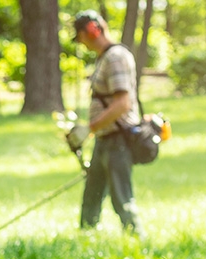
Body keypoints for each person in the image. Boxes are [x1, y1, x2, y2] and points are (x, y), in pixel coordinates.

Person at [67, 10, 142, 236]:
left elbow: (122, 103)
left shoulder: (115, 57)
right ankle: (86, 239)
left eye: (80, 35)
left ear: (91, 31)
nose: (80, 42)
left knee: (121, 197)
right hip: (104, 139)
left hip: (117, 140)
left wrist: (89, 129)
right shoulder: (104, 58)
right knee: (92, 193)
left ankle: (137, 239)